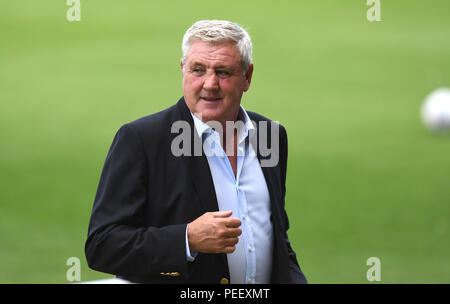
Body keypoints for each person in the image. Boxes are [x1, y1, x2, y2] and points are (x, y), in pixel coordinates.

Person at [85, 20, 307, 284]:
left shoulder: (270, 135)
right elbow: (103, 245)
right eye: (198, 70)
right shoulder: (141, 140)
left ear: (247, 76)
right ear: (182, 70)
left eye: (223, 72)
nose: (209, 84)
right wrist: (187, 239)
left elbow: (276, 237)